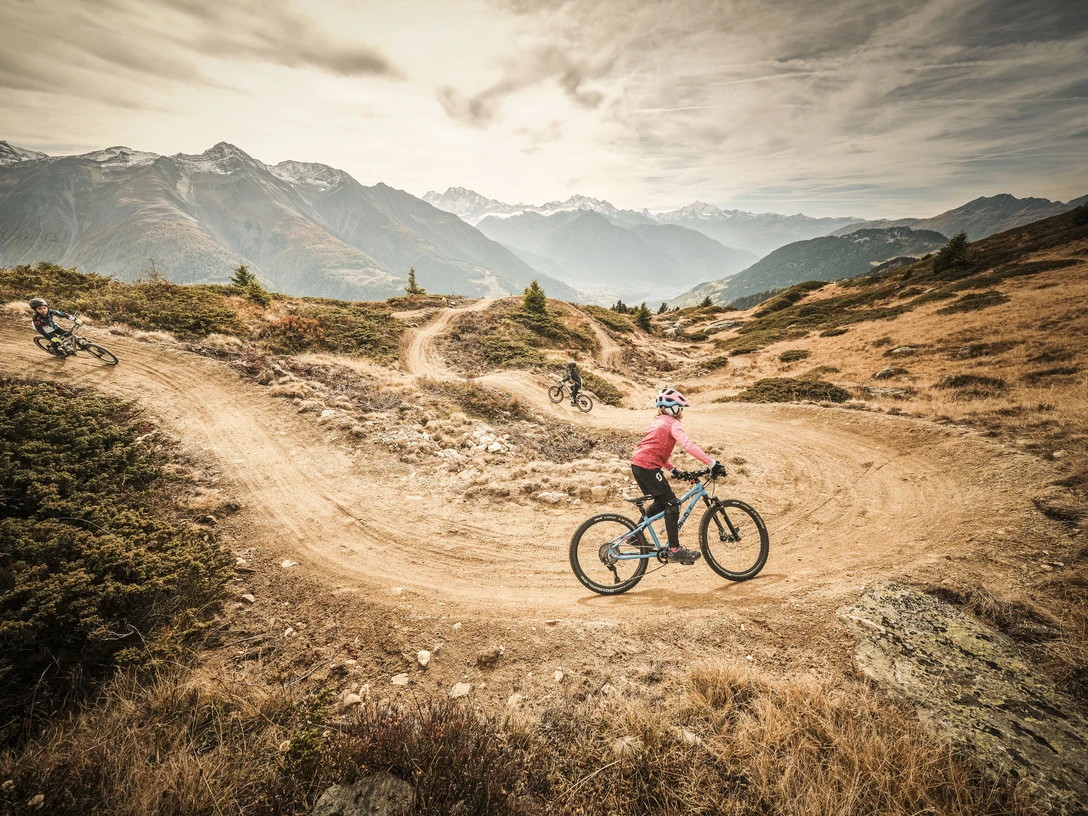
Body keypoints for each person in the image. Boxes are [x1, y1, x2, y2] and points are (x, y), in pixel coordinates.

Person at [630, 388, 727, 564]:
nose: (681, 411)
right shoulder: (673, 424)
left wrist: (672, 469)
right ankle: (674, 550)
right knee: (673, 503)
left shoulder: (658, 421)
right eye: (679, 407)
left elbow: (654, 449)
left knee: (661, 501)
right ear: (673, 408)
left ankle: (635, 536)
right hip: (648, 467)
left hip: (639, 464)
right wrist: (712, 464)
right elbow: (688, 445)